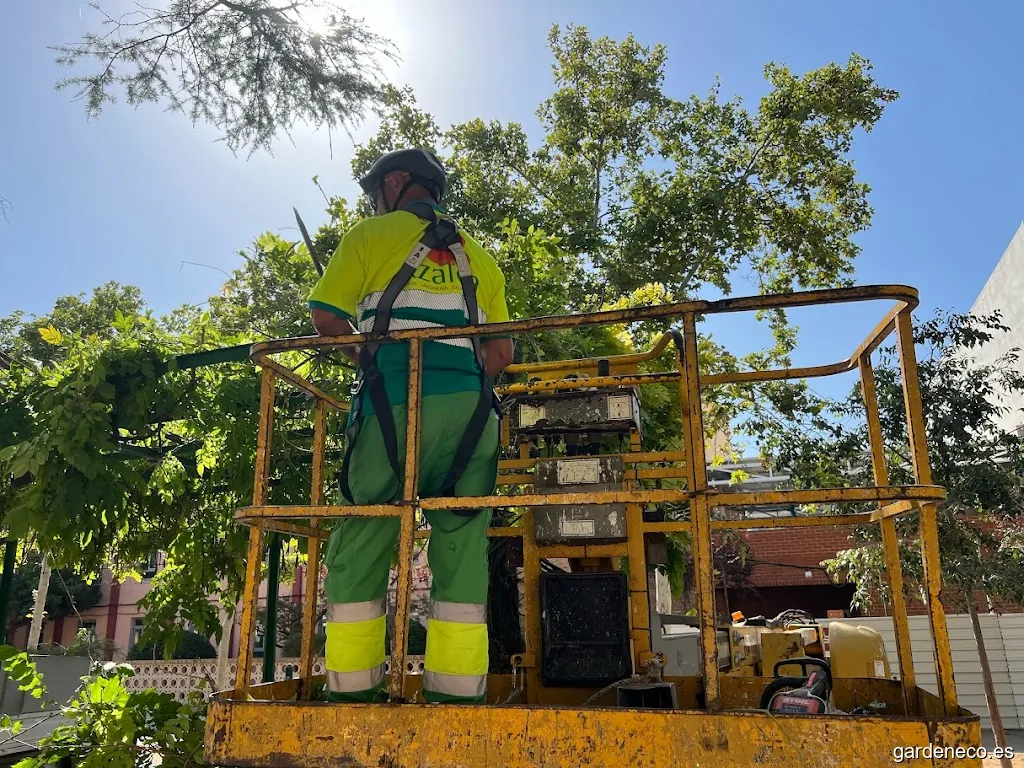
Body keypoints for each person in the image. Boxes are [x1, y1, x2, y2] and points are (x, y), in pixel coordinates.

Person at [307, 148, 513, 704]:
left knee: (366, 535)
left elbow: (327, 317)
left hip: (393, 405)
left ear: (396, 184)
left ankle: (353, 695)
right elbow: (500, 353)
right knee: (463, 548)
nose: (373, 206)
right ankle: (455, 697)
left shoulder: (369, 237)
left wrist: (372, 363)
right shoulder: (481, 258)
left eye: (375, 194)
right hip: (472, 418)